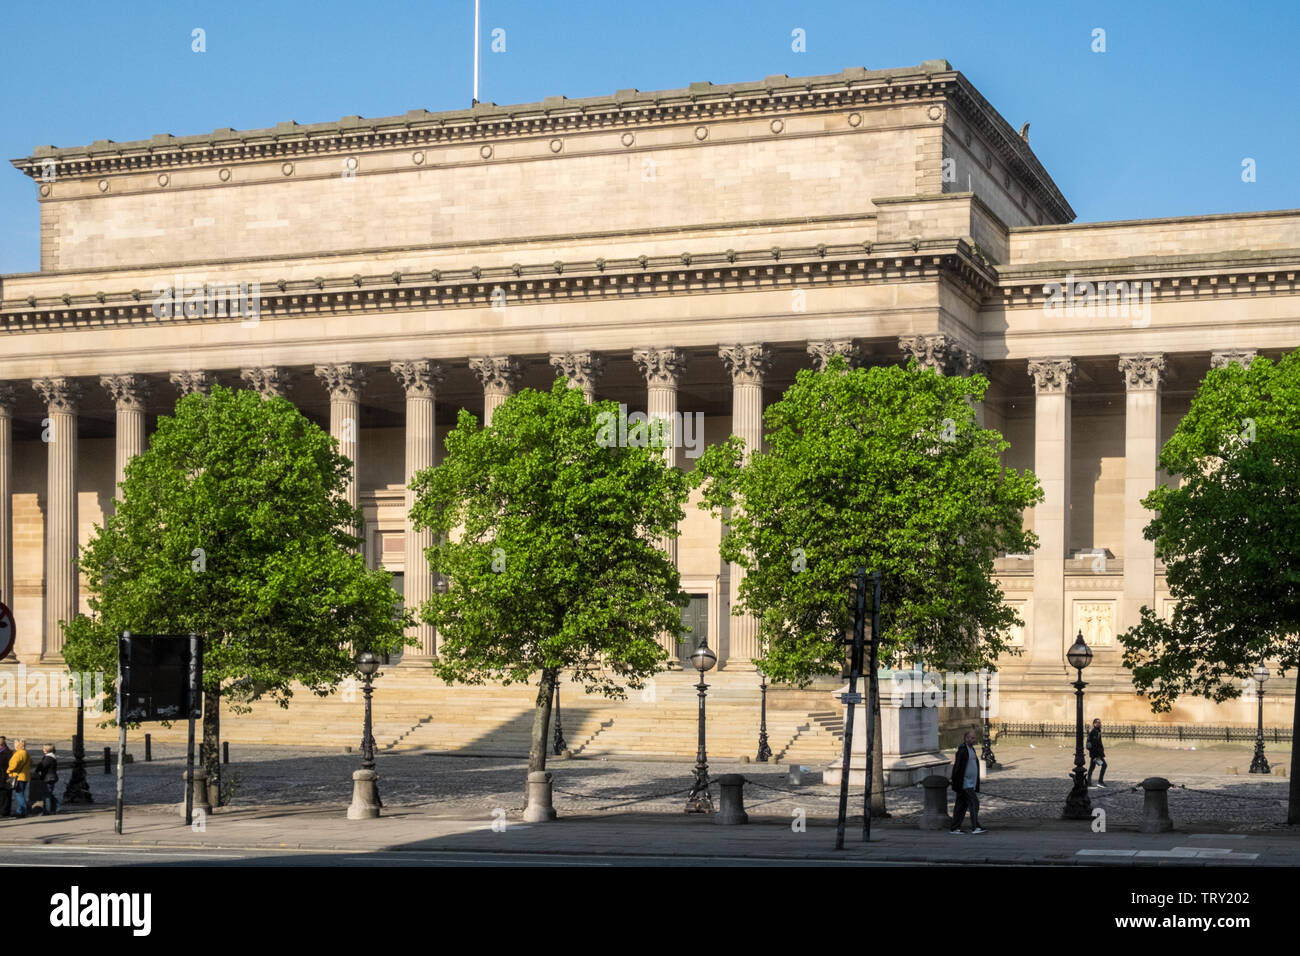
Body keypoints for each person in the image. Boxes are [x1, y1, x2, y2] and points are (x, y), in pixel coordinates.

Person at [949, 729, 985, 834]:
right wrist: (956, 782)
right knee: (974, 803)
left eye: (974, 738)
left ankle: (955, 828)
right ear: (966, 738)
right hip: (965, 783)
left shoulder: (971, 749)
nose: (973, 740)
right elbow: (957, 767)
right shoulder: (962, 750)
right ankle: (975, 827)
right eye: (971, 738)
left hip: (970, 783)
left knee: (961, 805)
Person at [6, 739, 30, 818]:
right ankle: (20, 811)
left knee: (19, 794)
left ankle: (24, 809)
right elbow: (31, 762)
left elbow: (13, 765)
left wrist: (8, 771)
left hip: (18, 776)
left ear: (17, 746)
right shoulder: (26, 753)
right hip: (25, 776)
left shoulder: (18, 754)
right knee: (21, 793)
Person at [35, 744, 59, 816]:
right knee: (49, 794)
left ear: (46, 750)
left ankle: (47, 810)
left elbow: (41, 766)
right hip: (51, 777)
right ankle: (56, 808)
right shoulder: (51, 757)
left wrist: (36, 770)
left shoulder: (48, 758)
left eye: (44, 748)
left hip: (48, 778)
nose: (43, 749)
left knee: (47, 795)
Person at [1087, 718, 1107, 788]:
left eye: (1100, 723)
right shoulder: (1094, 732)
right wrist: (1097, 755)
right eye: (1098, 723)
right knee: (1104, 765)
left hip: (1096, 754)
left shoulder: (1097, 731)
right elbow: (1094, 745)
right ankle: (1100, 782)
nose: (1099, 724)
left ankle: (1088, 782)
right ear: (1094, 724)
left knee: (1092, 767)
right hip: (1096, 754)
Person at [0, 736, 12, 819]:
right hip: (2, 776)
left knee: (5, 795)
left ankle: (4, 812)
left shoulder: (8, 752)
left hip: (5, 776)